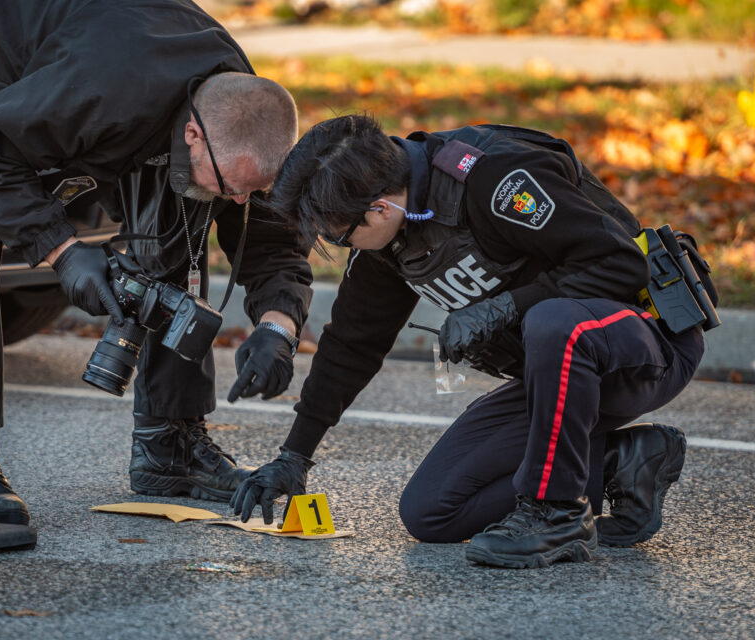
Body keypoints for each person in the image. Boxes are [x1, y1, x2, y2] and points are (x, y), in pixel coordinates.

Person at [0, 0, 313, 525]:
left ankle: (168, 448)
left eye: (251, 189)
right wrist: (61, 251)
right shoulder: (109, 87)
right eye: (233, 187)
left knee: (184, 211)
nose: (239, 201)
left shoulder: (236, 113)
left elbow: (270, 236)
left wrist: (276, 328)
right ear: (193, 133)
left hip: (80, 53)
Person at [232, 114, 706, 569]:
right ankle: (623, 462)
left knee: (551, 321)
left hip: (646, 346)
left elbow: (622, 262)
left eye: (339, 237)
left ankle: (557, 513)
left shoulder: (496, 180)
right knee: (431, 511)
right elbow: (352, 344)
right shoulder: (392, 230)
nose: (343, 247)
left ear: (379, 207)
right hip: (560, 380)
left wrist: (505, 307)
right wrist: (294, 457)